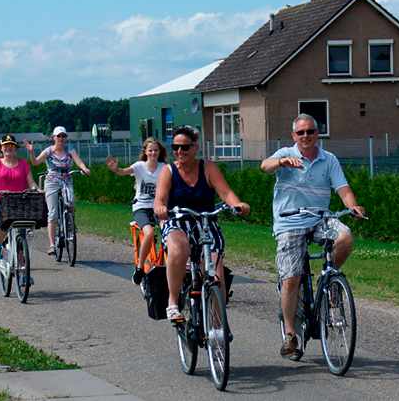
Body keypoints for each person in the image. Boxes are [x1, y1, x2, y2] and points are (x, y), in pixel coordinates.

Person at [260, 113, 365, 359]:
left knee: (345, 236)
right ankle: (290, 334)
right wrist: (282, 162)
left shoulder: (329, 159)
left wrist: (353, 205)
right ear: (293, 136)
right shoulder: (285, 154)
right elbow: (264, 166)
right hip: (290, 221)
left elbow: (342, 188)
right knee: (291, 279)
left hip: (320, 218)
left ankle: (329, 278)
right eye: (301, 132)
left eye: (310, 131)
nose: (306, 136)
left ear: (318, 134)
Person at [154, 126, 250, 323]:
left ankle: (217, 326)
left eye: (185, 147)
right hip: (177, 221)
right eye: (176, 147)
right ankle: (172, 303)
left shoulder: (208, 168)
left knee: (215, 268)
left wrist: (238, 204)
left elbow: (225, 193)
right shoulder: (168, 171)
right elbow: (160, 199)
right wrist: (161, 208)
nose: (180, 152)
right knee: (179, 248)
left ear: (195, 147)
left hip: (205, 222)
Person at [106, 137, 167, 285]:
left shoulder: (164, 167)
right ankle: (139, 268)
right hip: (141, 207)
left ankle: (170, 264)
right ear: (145, 152)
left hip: (158, 207)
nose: (153, 153)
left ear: (159, 152)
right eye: (150, 150)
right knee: (150, 233)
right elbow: (123, 171)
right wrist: (116, 169)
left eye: (156, 150)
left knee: (170, 231)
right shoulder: (139, 166)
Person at [26, 126, 90, 256]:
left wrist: (84, 168)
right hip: (52, 181)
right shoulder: (48, 151)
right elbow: (35, 162)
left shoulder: (69, 150)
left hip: (66, 179)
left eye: (63, 136)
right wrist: (31, 152)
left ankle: (70, 223)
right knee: (53, 213)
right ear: (53, 138)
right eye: (59, 136)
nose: (61, 138)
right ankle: (51, 244)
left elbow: (79, 161)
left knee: (71, 203)